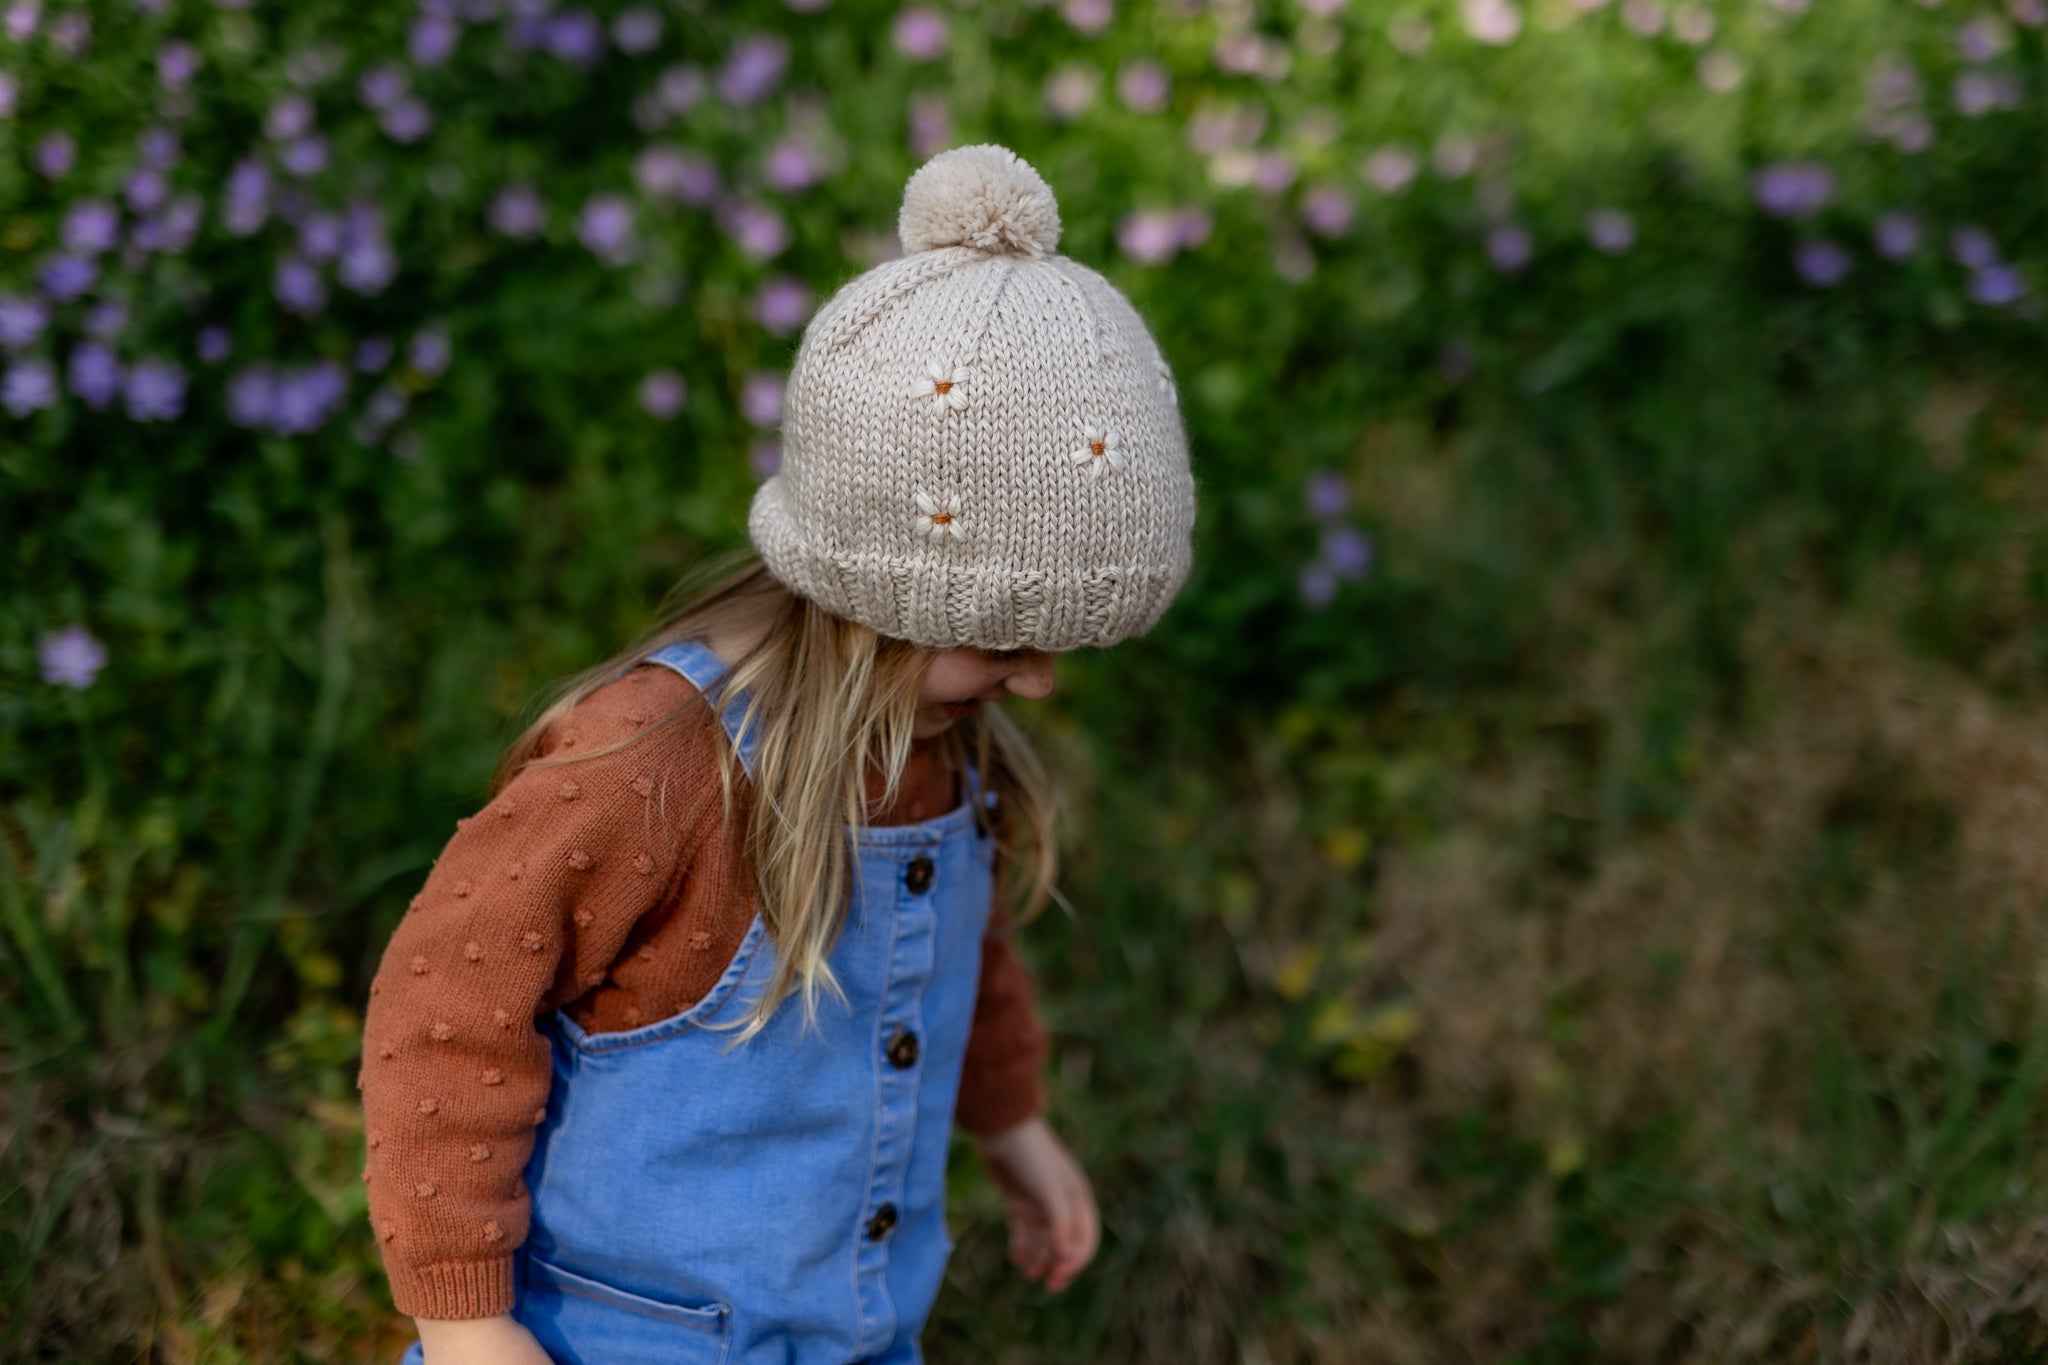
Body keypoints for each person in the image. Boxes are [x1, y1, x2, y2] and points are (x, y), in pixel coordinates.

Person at [360, 142, 1198, 1365]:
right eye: (1000, 640)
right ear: (868, 592)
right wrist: (465, 1317)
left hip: (855, 1331)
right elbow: (449, 1008)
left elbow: (961, 952)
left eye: (1067, 643)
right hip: (608, 1339)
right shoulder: (651, 767)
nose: (1039, 678)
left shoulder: (950, 750)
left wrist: (1012, 1127)